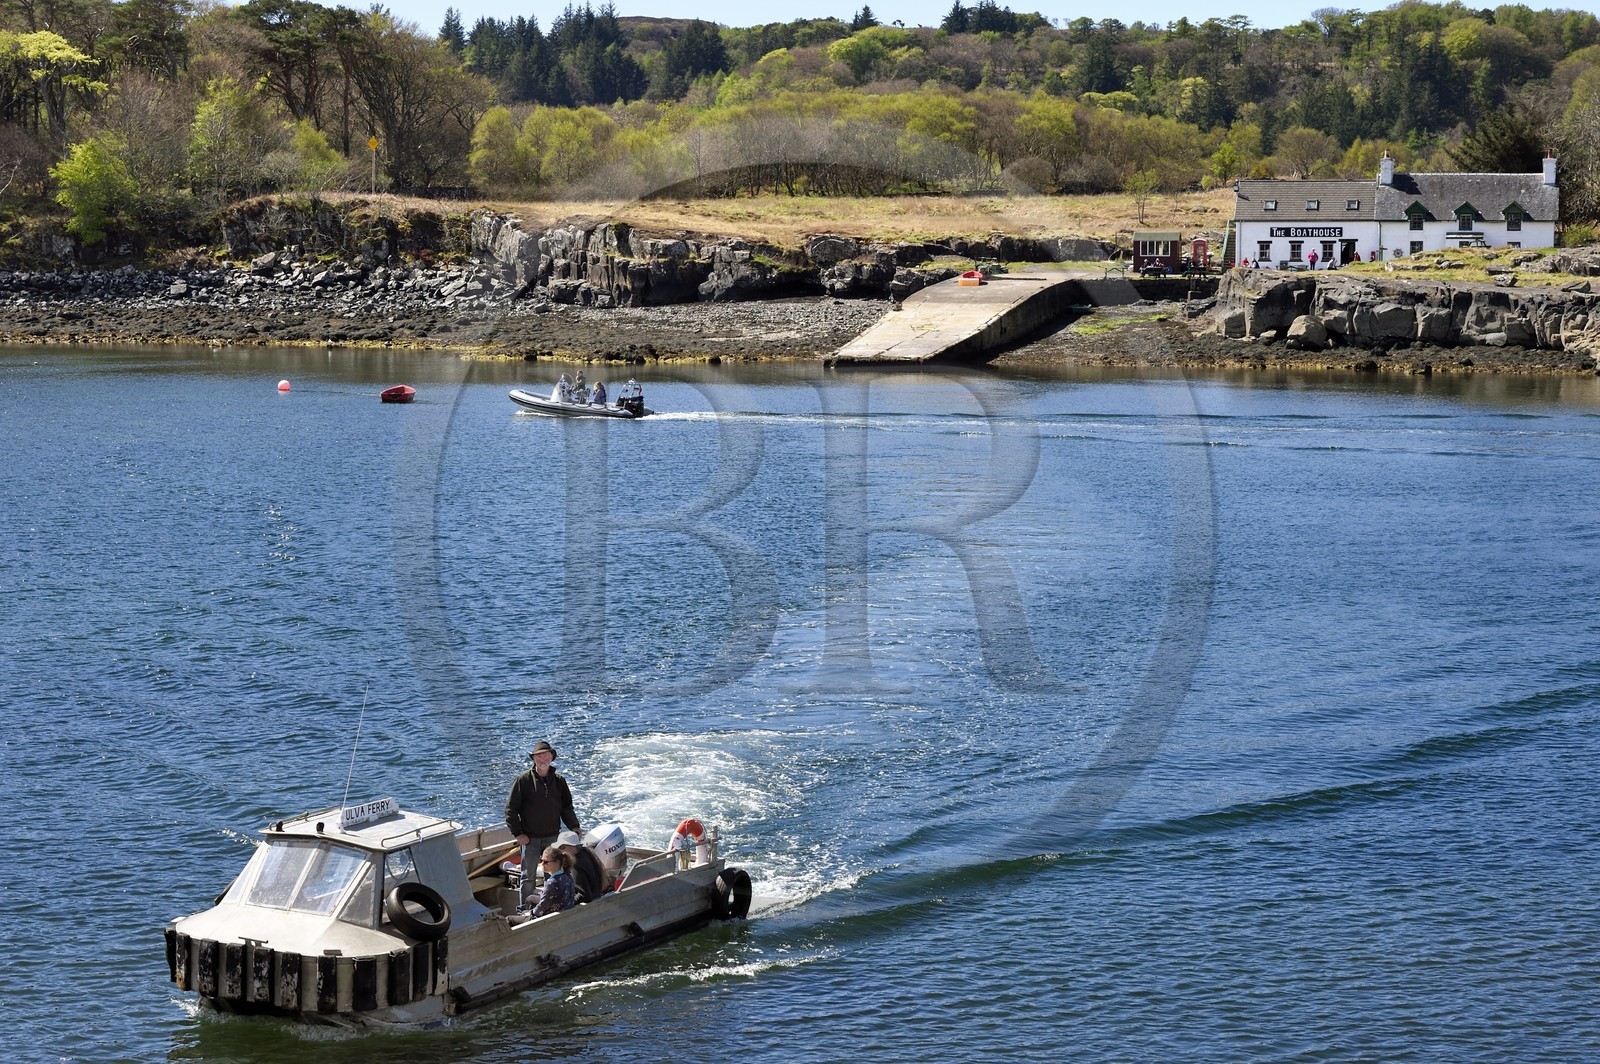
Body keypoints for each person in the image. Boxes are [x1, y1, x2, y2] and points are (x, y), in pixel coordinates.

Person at [505, 740, 581, 911]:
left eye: (546, 755)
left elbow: (567, 807)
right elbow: (511, 809)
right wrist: (518, 834)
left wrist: (574, 826)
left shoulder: (560, 781)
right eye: (539, 756)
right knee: (528, 877)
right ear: (534, 759)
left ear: (551, 757)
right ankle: (525, 911)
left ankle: (550, 908)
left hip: (552, 837)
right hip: (529, 839)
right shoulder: (523, 781)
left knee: (553, 876)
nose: (542, 759)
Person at [522, 845, 576, 918]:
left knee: (510, 919)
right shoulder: (567, 875)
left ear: (557, 862)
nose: (542, 864)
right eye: (541, 861)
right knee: (530, 899)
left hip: (552, 916)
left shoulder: (552, 882)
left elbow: (542, 906)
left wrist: (530, 914)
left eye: (546, 862)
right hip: (563, 909)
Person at [558, 829, 610, 903]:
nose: (560, 851)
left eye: (562, 847)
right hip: (596, 895)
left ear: (573, 847)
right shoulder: (586, 853)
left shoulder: (576, 865)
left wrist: (565, 903)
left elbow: (584, 896)